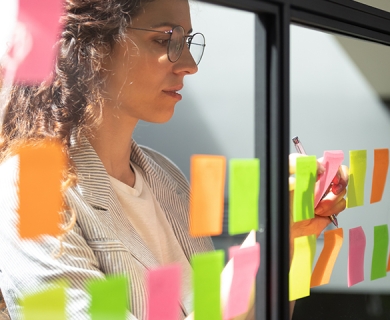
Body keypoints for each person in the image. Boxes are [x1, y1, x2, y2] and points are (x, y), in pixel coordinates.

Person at [0, 0, 348, 319]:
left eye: (187, 40)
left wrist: (289, 234)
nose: (189, 65)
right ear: (95, 48)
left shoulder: (166, 176)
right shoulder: (30, 186)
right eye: (166, 39)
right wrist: (266, 237)